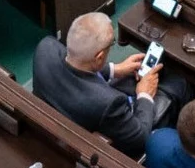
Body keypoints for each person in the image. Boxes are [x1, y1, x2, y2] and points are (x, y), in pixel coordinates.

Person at [31, 11, 179, 158]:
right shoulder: (108, 103)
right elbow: (140, 138)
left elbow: (74, 59)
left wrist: (114, 69)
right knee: (178, 85)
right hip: (108, 139)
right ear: (99, 57)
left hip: (59, 119)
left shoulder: (45, 48)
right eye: (111, 44)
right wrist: (145, 94)